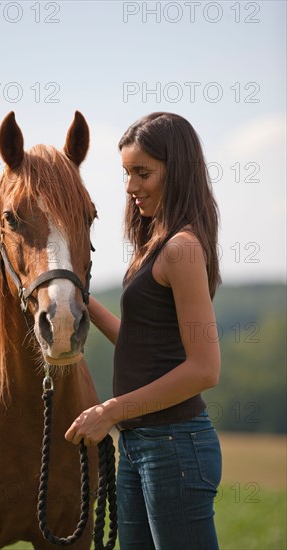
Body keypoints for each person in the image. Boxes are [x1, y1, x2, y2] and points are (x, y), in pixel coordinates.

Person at [65, 112, 222, 549]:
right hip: (141, 445)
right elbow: (143, 345)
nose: (131, 187)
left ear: (178, 170)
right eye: (126, 174)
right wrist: (82, 301)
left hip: (175, 447)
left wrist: (111, 410)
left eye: (142, 172)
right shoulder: (154, 247)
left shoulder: (182, 249)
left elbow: (205, 370)